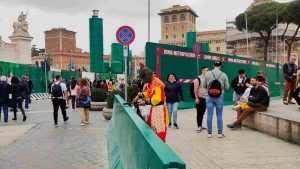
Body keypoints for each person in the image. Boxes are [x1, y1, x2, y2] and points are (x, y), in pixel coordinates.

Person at [133, 67, 168, 142]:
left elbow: (157, 99)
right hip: (155, 109)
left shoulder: (156, 82)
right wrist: (139, 95)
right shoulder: (152, 82)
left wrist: (145, 102)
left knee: (159, 130)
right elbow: (148, 93)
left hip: (159, 110)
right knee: (154, 129)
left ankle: (160, 148)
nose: (142, 80)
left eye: (143, 78)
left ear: (146, 76)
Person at [203, 61, 229, 138]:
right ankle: (220, 133)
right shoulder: (223, 74)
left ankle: (209, 133)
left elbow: (204, 85)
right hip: (219, 97)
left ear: (213, 65)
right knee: (219, 115)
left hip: (209, 96)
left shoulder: (207, 73)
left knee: (209, 115)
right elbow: (227, 87)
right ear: (220, 66)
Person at [194, 67, 209, 132]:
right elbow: (195, 90)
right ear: (203, 71)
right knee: (199, 113)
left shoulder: (208, 79)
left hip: (206, 99)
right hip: (199, 98)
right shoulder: (198, 79)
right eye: (207, 70)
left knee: (202, 113)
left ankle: (201, 125)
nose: (208, 71)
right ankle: (199, 126)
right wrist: (196, 98)